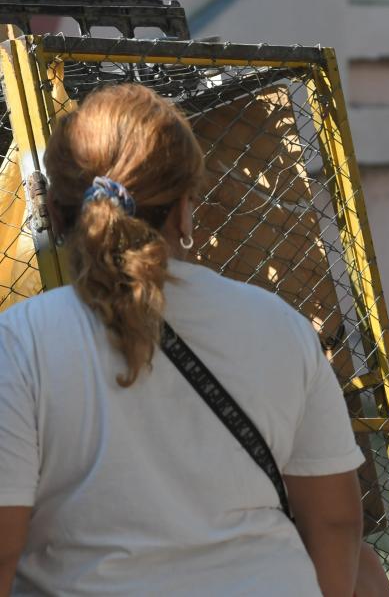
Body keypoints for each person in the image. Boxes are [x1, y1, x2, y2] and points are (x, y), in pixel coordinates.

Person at [0, 84, 366, 596]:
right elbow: (335, 522)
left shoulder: (19, 344)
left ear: (57, 214)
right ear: (185, 209)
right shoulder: (279, 325)